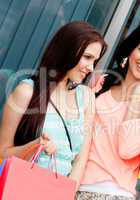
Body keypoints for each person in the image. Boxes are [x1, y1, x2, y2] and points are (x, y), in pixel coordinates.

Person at [0, 21, 107, 189]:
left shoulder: (86, 97)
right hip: (21, 188)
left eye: (95, 60)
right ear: (67, 50)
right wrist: (35, 145)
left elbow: (80, 160)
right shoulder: (27, 92)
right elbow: (3, 153)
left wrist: (67, 193)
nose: (91, 67)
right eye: (87, 57)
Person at [77, 23, 140, 200]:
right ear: (131, 50)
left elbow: (127, 148)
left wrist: (137, 95)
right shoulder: (102, 82)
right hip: (75, 184)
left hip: (114, 193)